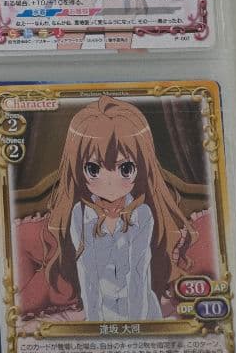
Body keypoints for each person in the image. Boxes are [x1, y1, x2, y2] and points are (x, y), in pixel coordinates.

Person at [43, 95, 195, 321]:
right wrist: (95, 324)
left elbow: (138, 273)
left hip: (142, 313)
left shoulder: (142, 214)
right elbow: (87, 273)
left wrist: (137, 326)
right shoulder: (80, 214)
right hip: (101, 316)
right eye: (93, 169)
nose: (110, 182)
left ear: (141, 166)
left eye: (125, 169)